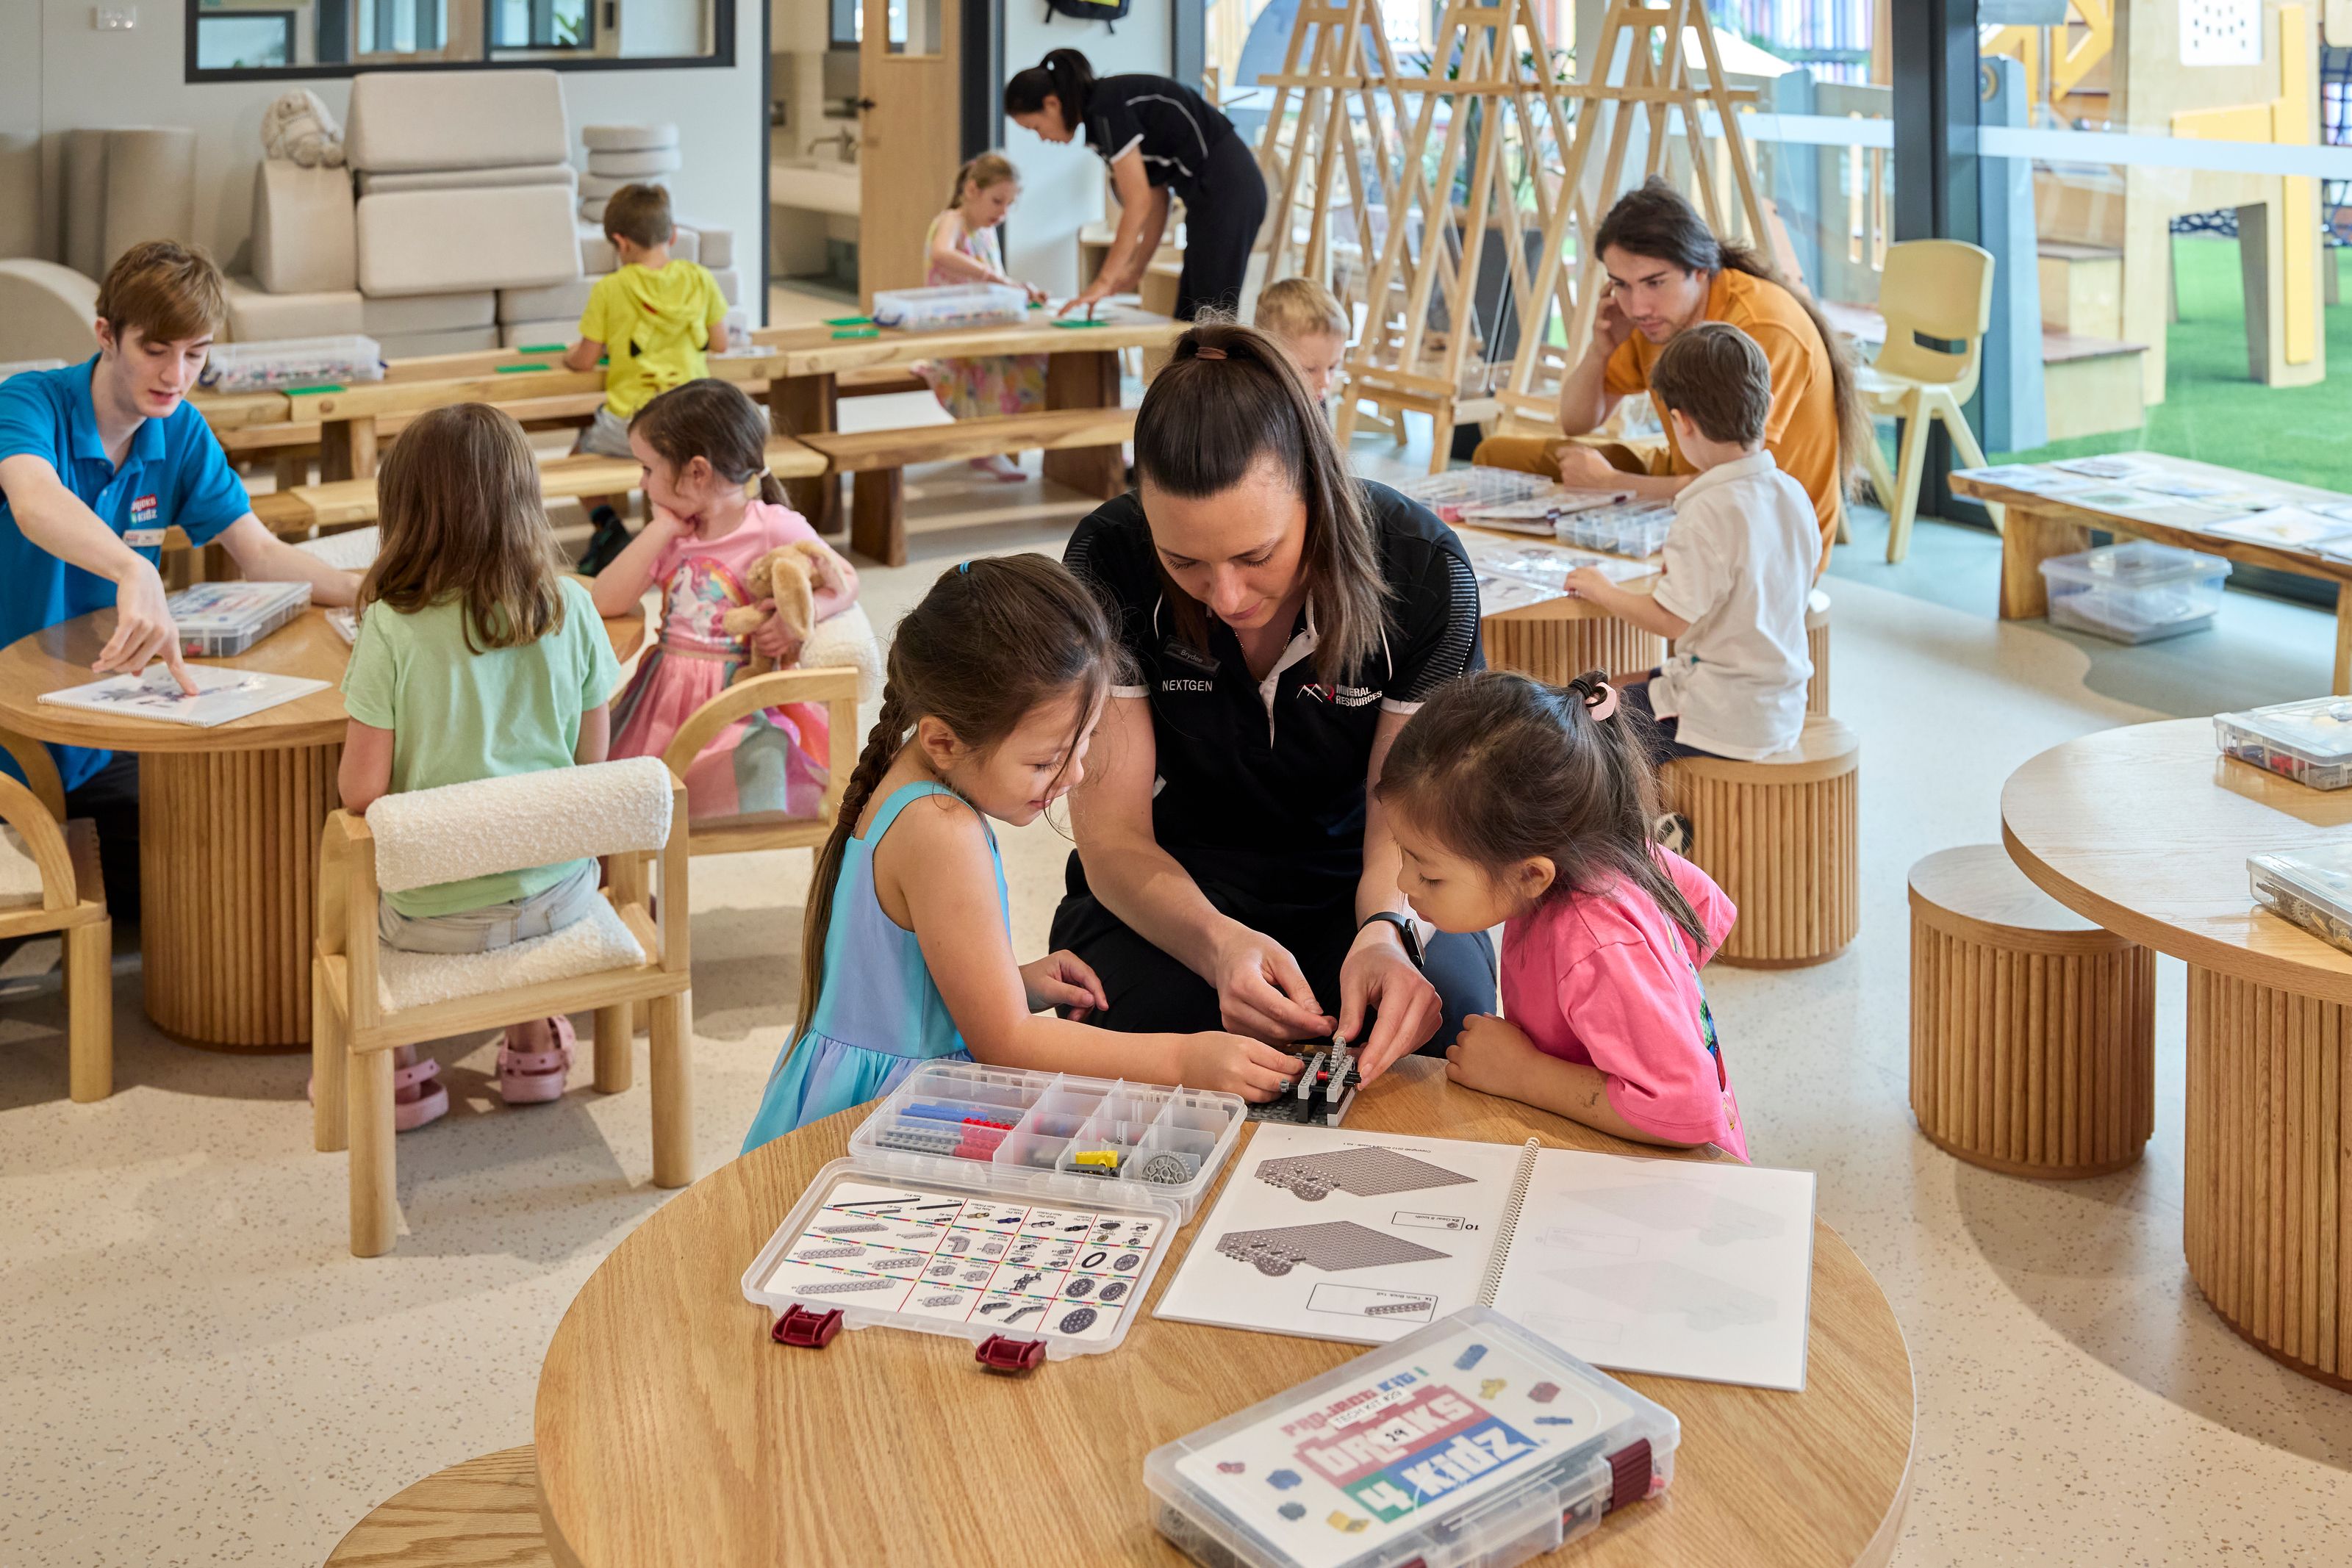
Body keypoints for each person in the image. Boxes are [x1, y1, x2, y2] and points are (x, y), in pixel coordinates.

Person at [1053, 323, 1493, 1084]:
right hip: (1178, 873)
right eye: (1182, 560)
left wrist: (1386, 932)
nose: (1224, 597)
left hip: (1370, 868)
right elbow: (1113, 836)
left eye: (1255, 555)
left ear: (1315, 494)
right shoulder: (1108, 559)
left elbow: (1412, 824)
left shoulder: (1424, 572)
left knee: (1448, 1027)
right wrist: (1217, 944)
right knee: (1125, 1024)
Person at [742, 555, 1299, 1150]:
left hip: (888, 1091)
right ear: (944, 741)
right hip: (891, 1118)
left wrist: (1013, 983)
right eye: (1045, 761)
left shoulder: (911, 785)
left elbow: (893, 983)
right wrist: (1185, 1061)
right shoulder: (941, 829)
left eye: (1083, 746)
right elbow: (1006, 1043)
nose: (1075, 774)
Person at [0, 240, 358, 920]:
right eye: (157, 350)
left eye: (196, 353)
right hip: (13, 729)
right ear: (107, 335)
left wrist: (374, 591)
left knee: (234, 857)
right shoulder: (29, 402)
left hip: (104, 731)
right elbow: (33, 499)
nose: (177, 373)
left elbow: (259, 553)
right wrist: (133, 567)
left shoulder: (181, 430)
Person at [338, 404, 622, 1126]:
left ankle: (400, 1067)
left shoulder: (389, 625)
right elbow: (594, 770)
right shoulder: (575, 608)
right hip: (561, 899)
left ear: (404, 510)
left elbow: (361, 792)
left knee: (348, 865)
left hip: (432, 919)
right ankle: (530, 1040)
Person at [1377, 671, 1746, 1159]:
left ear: (1532, 875)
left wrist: (1526, 1074)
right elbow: (1703, 906)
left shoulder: (1596, 943)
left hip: (1672, 1185)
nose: (1404, 885)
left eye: (1430, 874)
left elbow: (1689, 1110)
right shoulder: (1599, 846)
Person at [1472, 177, 1865, 571]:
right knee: (1497, 455)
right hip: (1689, 480)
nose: (1638, 306)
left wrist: (1612, 485)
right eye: (1621, 285)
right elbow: (1576, 421)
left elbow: (1738, 482)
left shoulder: (1762, 328)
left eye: (1654, 283)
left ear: (1699, 269)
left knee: (1587, 487)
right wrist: (1600, 350)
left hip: (1764, 531)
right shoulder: (1652, 319)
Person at [590, 380, 860, 822]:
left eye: (646, 468)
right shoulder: (675, 532)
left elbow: (845, 580)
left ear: (696, 472)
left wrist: (801, 620)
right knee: (621, 801)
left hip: (739, 703)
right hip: (663, 699)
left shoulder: (774, 526)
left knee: (712, 780)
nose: (640, 481)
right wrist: (660, 532)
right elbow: (605, 600)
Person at [1560, 323, 1815, 765]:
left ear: (1682, 422)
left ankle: (1637, 833)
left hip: (1723, 715)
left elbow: (1670, 621)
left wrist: (1603, 590)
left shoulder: (1707, 510)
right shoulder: (1791, 491)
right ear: (1767, 406)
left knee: (1580, 719)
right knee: (1613, 688)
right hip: (1779, 703)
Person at [1005, 48, 1269, 323]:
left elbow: (1138, 202)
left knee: (1211, 319)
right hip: (1210, 197)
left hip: (1229, 188)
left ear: (1052, 104)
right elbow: (1156, 198)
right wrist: (1136, 269)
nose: (1043, 138)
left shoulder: (1107, 108)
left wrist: (1104, 281)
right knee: (1190, 316)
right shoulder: (1102, 120)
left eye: (1036, 127)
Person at [566, 182, 731, 574]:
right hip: (696, 424)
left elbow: (586, 360)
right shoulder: (700, 279)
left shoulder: (611, 288)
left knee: (577, 458)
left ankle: (609, 526)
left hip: (631, 426)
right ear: (673, 236)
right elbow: (720, 343)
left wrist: (569, 355)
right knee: (675, 462)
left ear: (620, 243)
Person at [919, 152, 1050, 483]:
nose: (1003, 212)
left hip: (983, 327)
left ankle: (1065, 440)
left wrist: (1022, 291)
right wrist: (995, 278)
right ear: (972, 190)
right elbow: (941, 253)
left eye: (1009, 204)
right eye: (997, 201)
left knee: (1042, 358)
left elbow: (997, 287)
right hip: (954, 334)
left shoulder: (986, 233)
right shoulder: (954, 220)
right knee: (993, 367)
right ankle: (987, 447)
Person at [1253, 276, 1350, 405]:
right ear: (1266, 357)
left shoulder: (1315, 398)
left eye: (1332, 367)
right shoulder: (1254, 407)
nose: (1325, 382)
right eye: (1309, 369)